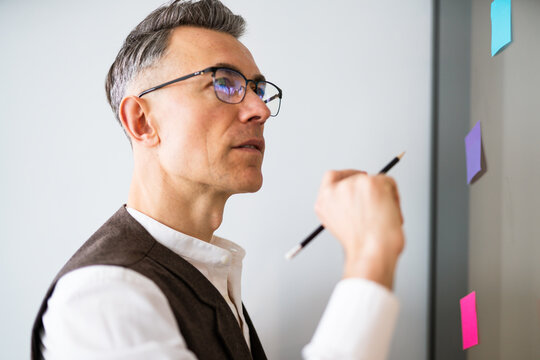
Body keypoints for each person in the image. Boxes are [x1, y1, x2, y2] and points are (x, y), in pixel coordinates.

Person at [31, 0, 405, 359]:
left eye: (257, 89)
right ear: (142, 122)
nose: (260, 110)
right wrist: (370, 258)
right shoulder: (104, 298)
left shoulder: (205, 274)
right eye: (224, 83)